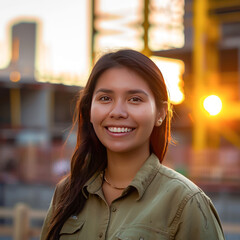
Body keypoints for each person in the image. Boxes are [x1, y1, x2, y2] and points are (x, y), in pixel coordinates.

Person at [40, 49, 225, 240]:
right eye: (105, 98)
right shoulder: (67, 193)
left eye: (135, 99)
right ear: (89, 110)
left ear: (160, 113)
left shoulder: (186, 203)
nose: (117, 112)